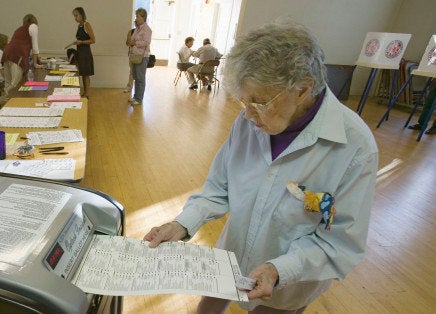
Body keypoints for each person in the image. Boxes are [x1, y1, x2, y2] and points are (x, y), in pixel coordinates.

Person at [143, 21, 378, 313]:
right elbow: (218, 189)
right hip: (231, 258)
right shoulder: (248, 122)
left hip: (286, 281)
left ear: (303, 88)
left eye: (259, 102)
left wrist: (279, 270)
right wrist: (182, 223)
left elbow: (340, 243)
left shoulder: (354, 147)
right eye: (244, 101)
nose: (248, 114)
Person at [2, 14, 43, 95]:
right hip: (17, 55)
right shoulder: (33, 26)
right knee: (16, 83)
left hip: (6, 53)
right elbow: (35, 46)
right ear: (34, 21)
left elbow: (26, 46)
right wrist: (35, 64)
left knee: (8, 82)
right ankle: (12, 101)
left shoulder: (19, 29)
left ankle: (7, 102)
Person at [127, 8, 152, 106]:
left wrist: (134, 43)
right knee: (136, 77)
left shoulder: (147, 29)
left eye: (137, 16)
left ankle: (139, 99)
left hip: (142, 56)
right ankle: (135, 97)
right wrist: (130, 41)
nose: (136, 18)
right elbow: (132, 39)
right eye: (136, 16)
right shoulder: (138, 28)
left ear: (143, 17)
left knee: (140, 78)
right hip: (135, 55)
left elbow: (146, 42)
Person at [72, 7, 95, 98]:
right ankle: (85, 92)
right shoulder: (79, 26)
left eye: (76, 15)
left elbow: (93, 40)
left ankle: (87, 93)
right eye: (74, 16)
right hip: (80, 53)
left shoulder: (87, 25)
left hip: (86, 53)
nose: (75, 18)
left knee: (86, 74)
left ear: (82, 15)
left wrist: (81, 42)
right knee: (82, 73)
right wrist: (77, 41)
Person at [124, 23, 137, 93]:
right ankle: (129, 87)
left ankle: (138, 91)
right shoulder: (131, 31)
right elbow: (127, 43)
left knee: (139, 75)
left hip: (142, 56)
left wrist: (133, 42)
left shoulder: (144, 32)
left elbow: (145, 43)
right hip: (132, 55)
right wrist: (136, 42)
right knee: (132, 72)